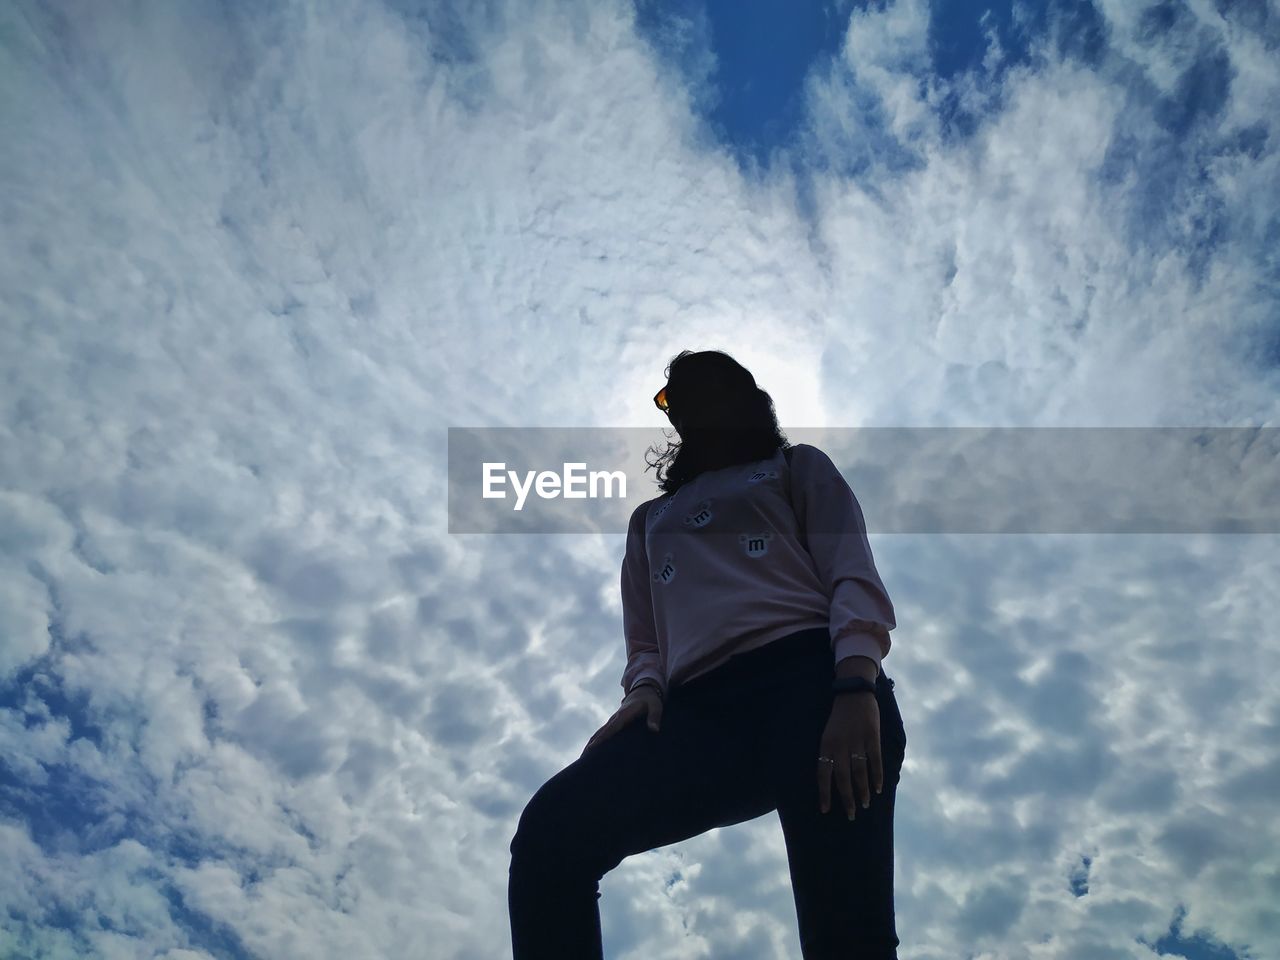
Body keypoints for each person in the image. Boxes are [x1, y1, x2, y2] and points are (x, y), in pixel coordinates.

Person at [508, 349, 907, 959]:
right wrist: (643, 693)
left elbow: (850, 572)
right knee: (550, 835)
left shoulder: (793, 466)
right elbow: (646, 640)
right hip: (696, 715)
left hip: (812, 687)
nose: (682, 406)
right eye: (670, 399)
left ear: (743, 392)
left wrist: (854, 685)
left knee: (846, 937)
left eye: (693, 388)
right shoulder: (649, 519)